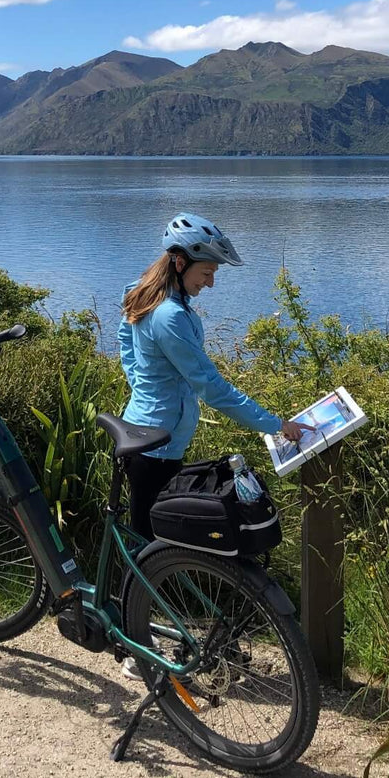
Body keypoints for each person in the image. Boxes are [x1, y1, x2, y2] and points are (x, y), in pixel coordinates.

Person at [117, 212, 311, 542]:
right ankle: (130, 594)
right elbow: (211, 387)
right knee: (151, 545)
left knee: (152, 539)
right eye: (206, 272)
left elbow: (125, 340)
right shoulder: (169, 316)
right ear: (179, 263)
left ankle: (138, 592)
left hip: (151, 437)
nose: (210, 282)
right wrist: (275, 424)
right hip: (154, 448)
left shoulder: (146, 290)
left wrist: (146, 385)